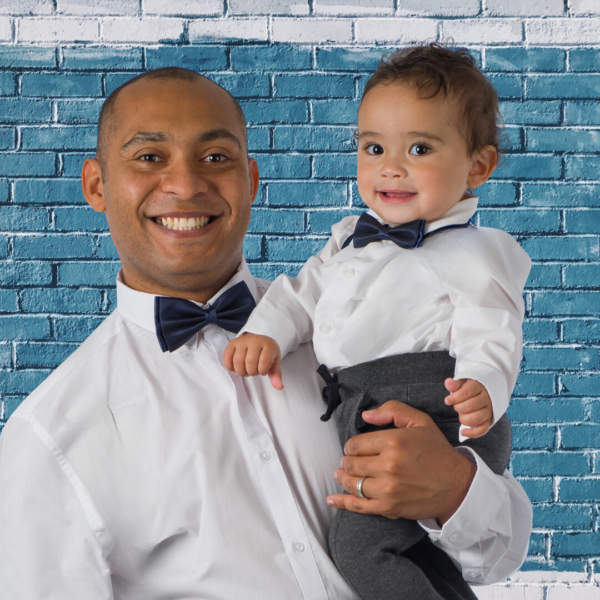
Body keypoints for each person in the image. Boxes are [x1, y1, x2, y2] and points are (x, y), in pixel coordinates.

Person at [0, 66, 532, 599]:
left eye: (215, 158)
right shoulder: (49, 440)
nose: (186, 185)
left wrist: (456, 491)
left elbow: (500, 553)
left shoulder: (349, 336)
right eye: (149, 157)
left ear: (251, 180)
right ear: (96, 185)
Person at [224, 44, 531, 600]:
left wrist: (485, 385)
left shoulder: (474, 252)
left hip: (440, 407)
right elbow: (300, 296)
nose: (391, 166)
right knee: (412, 551)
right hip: (363, 405)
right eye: (373, 147)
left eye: (419, 148)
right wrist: (265, 331)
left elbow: (494, 328)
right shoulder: (348, 240)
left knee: (361, 547)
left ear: (478, 166)